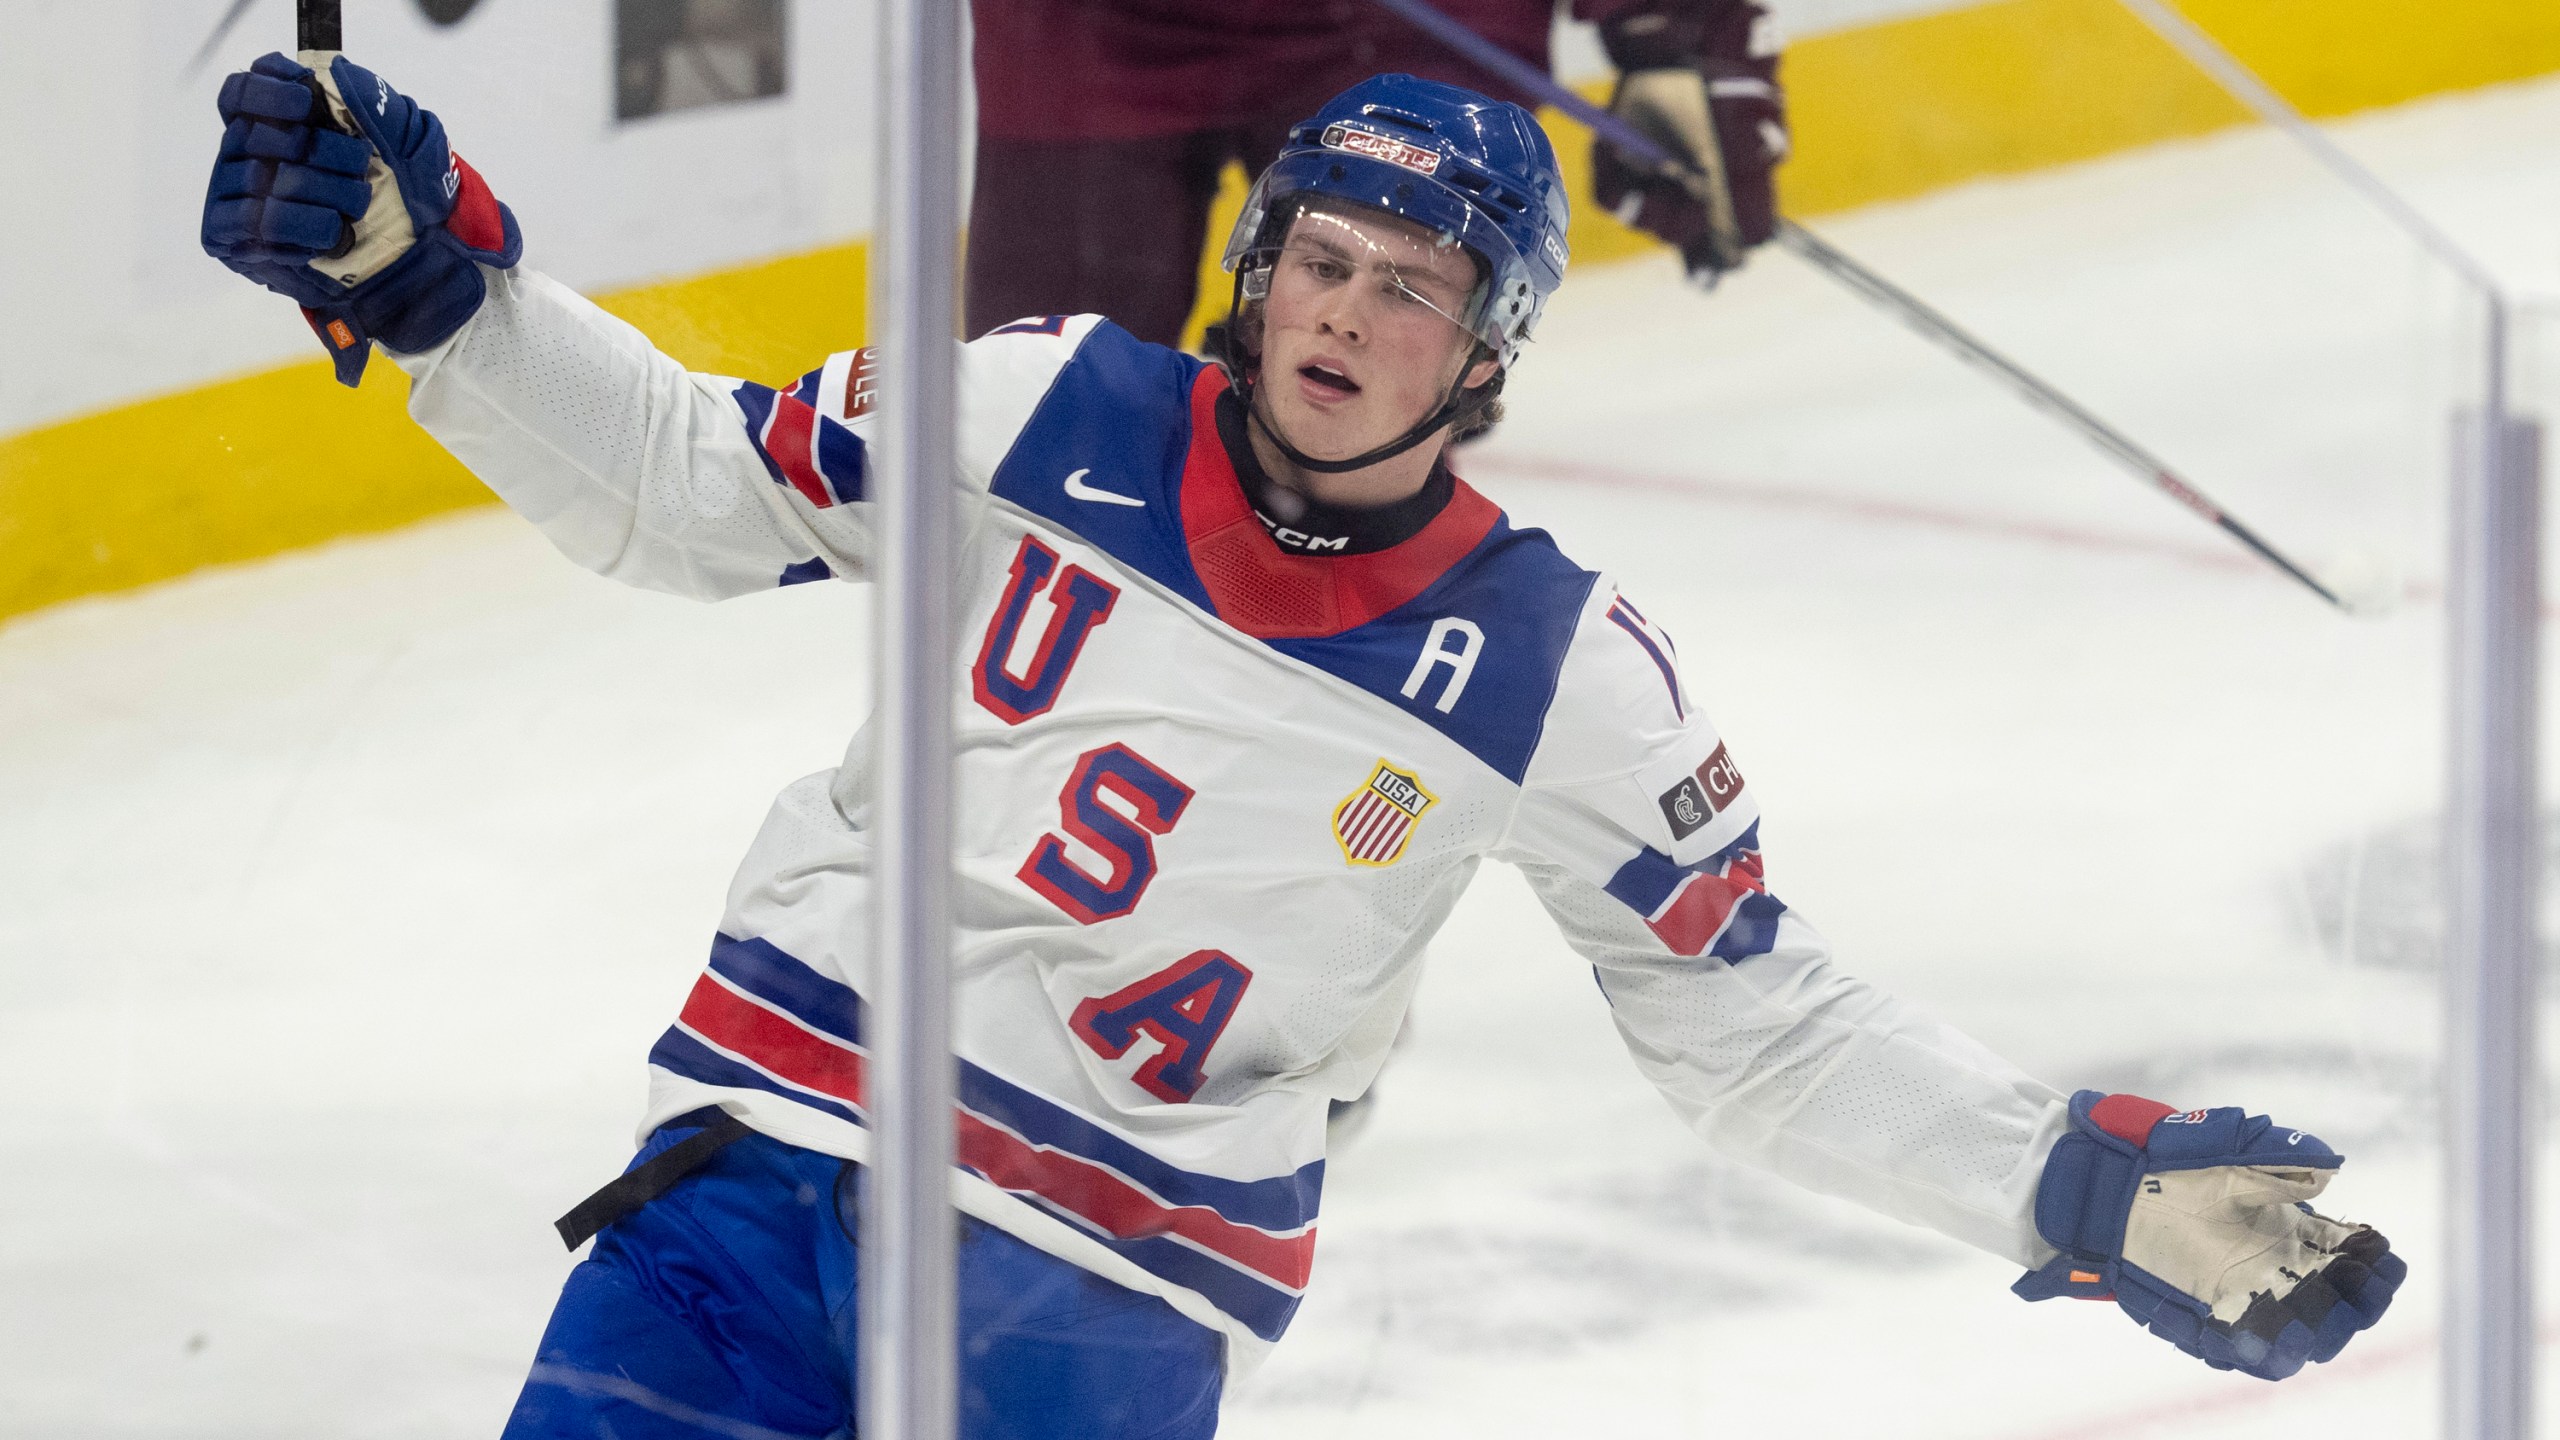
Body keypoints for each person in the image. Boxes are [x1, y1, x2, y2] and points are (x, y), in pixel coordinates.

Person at [200, 52, 2402, 1440]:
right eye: (1316, 262)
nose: (1345, 313)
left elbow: (1759, 1032)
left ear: (1489, 357)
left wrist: (2067, 1182)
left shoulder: (1559, 670)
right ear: (1252, 280)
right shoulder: (1047, 398)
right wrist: (443, 293)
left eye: (1412, 287)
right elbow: (695, 483)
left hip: (1086, 1316)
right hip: (755, 1193)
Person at [965, 0, 1791, 345]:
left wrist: (1675, 23)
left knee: (1380, 379)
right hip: (1086, 28)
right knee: (1044, 393)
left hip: (1402, 22)